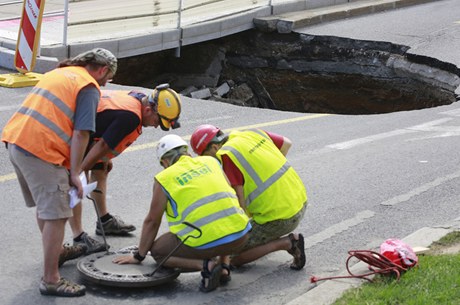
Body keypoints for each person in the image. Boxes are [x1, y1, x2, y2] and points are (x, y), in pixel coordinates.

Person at [1, 48, 118, 297]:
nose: (105, 84)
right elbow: (81, 132)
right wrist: (76, 172)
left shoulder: (61, 73)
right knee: (57, 215)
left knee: (47, 210)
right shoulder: (88, 86)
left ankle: (56, 252)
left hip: (18, 142)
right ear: (103, 70)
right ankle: (51, 279)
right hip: (41, 151)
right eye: (107, 79)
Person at [113, 134, 252, 292]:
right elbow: (228, 195)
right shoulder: (211, 161)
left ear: (165, 162)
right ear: (186, 152)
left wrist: (139, 256)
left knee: (158, 252)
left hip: (207, 242)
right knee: (222, 217)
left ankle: (207, 265)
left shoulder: (165, 178)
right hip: (241, 235)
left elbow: (152, 221)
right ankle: (224, 268)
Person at [66, 85, 182, 255]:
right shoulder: (131, 117)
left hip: (86, 128)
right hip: (72, 132)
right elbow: (104, 144)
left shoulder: (139, 97)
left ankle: (104, 221)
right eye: (158, 121)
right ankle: (78, 236)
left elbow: (106, 131)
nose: (156, 126)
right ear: (149, 110)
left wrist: (102, 158)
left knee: (101, 168)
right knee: (76, 181)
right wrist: (79, 170)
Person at [190, 124, 307, 271]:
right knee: (250, 238)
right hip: (300, 201)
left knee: (231, 255)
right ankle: (267, 240)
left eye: (204, 156)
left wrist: (229, 237)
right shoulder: (249, 134)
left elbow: (240, 205)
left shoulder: (226, 155)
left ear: (214, 147)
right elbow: (286, 143)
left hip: (281, 218)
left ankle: (288, 243)